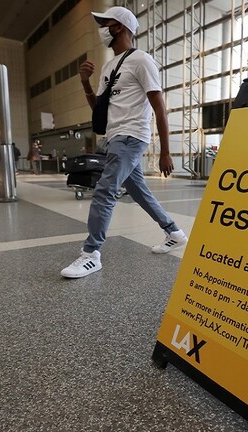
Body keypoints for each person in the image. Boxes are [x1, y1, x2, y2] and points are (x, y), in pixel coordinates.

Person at [60, 6, 188, 278]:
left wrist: (165, 151)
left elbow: (159, 107)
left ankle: (91, 253)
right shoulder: (109, 66)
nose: (101, 29)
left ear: (119, 26)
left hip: (131, 136)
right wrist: (85, 82)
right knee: (138, 191)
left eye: (105, 23)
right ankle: (174, 232)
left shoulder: (141, 60)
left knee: (105, 189)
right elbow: (100, 110)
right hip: (114, 136)